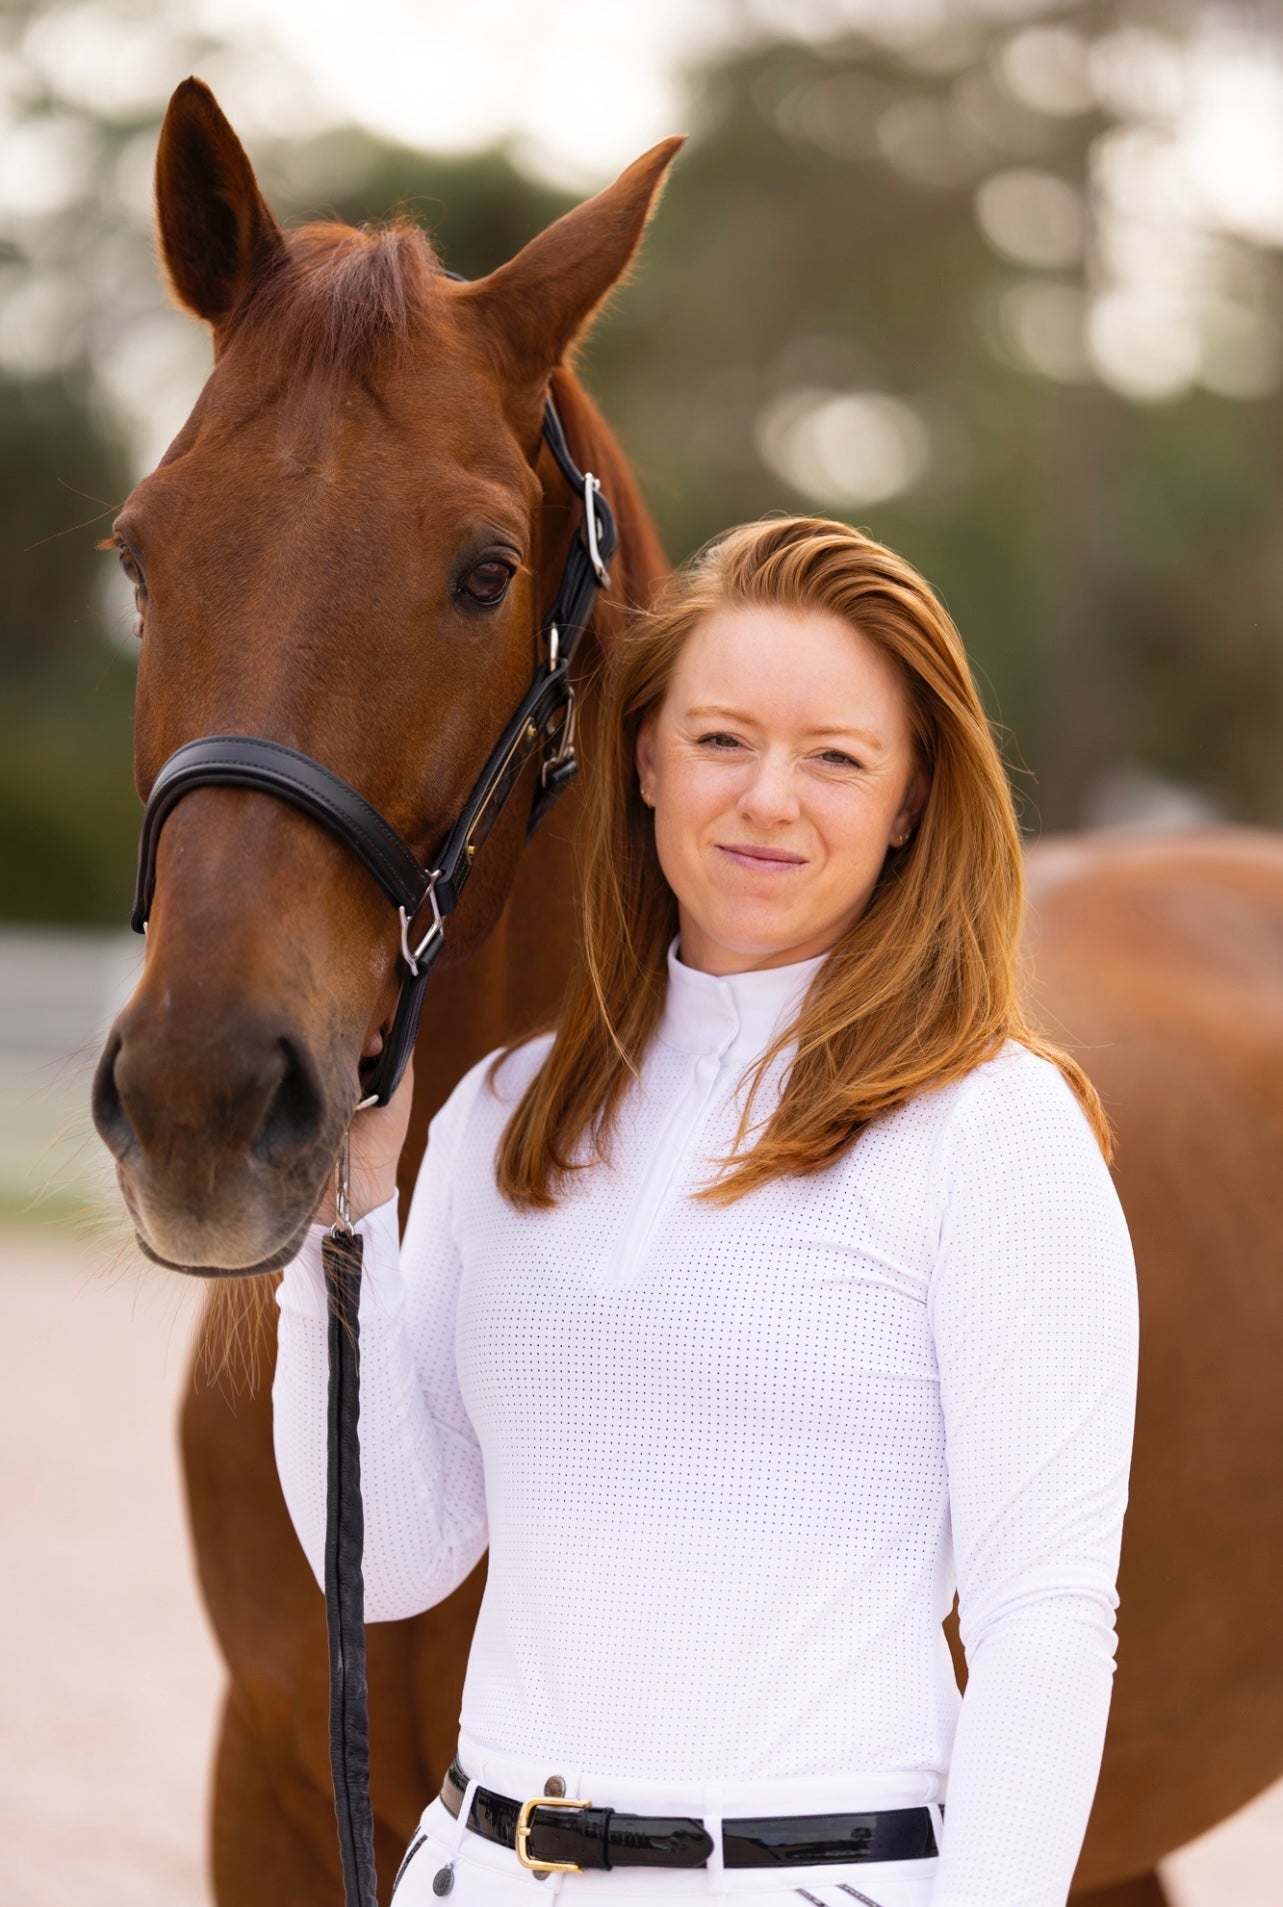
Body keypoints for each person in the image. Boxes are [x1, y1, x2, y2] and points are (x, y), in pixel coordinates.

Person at [272, 516, 1139, 1907]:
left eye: (837, 757)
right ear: (646, 758)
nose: (768, 799)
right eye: (724, 738)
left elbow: (1046, 1626)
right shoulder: (502, 1109)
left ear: (913, 797)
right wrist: (344, 1224)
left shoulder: (994, 1131)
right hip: (476, 1874)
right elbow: (391, 1561)